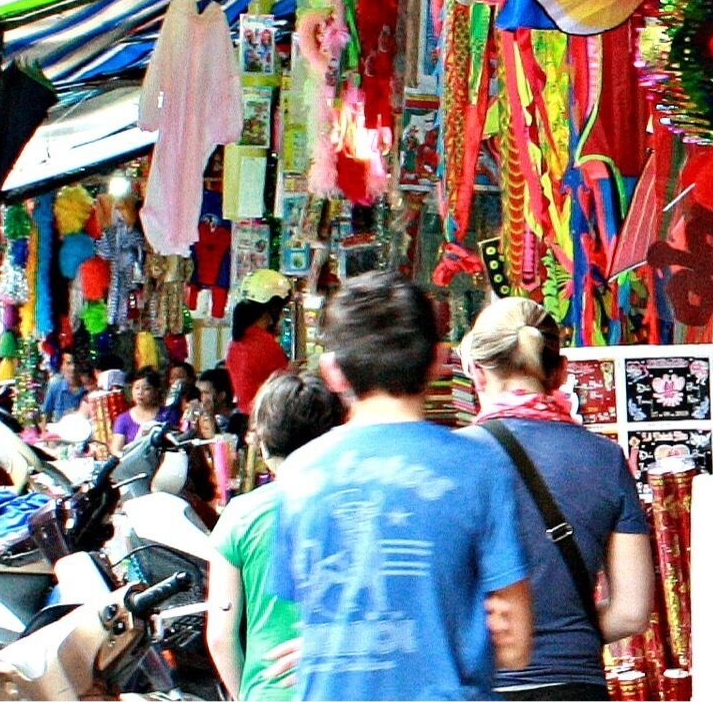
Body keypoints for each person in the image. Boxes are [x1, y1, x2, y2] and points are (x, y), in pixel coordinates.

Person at [267, 274, 532, 700]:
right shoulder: (479, 465)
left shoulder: (298, 474)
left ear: (332, 372)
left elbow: (310, 614)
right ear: (440, 360)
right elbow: (516, 645)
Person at [457, 297, 654, 700]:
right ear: (560, 372)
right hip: (575, 683)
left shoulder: (448, 461)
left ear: (477, 374)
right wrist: (568, 635)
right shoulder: (604, 458)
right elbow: (632, 612)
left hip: (477, 686)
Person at [208, 372, 345, 700]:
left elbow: (220, 637)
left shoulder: (241, 516)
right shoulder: (358, 506)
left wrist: (244, 694)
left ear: (265, 441)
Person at [227, 287, 293, 412]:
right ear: (265, 315)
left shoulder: (234, 344)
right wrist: (292, 371)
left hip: (244, 411)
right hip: (266, 411)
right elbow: (282, 383)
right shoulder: (266, 343)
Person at [113, 369, 170, 449]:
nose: (140, 392)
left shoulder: (168, 414)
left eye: (146, 389)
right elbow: (116, 449)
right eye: (136, 388)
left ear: (156, 391)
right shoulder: (123, 419)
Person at [42, 358, 91, 423]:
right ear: (62, 366)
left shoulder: (88, 388)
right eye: (68, 363)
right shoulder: (55, 386)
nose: (73, 368)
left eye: (76, 364)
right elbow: (46, 416)